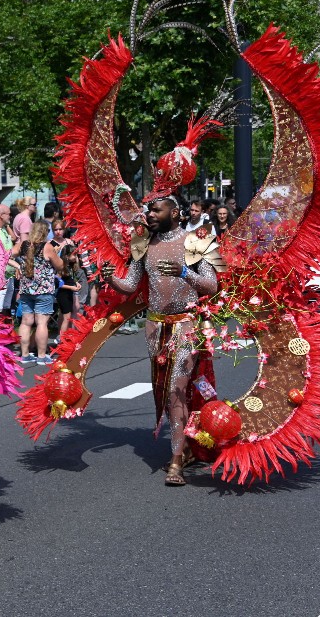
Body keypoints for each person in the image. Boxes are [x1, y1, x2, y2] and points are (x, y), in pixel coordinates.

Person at [102, 194, 221, 486]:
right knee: (164, 391)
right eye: (148, 210)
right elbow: (130, 286)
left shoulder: (196, 241)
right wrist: (111, 279)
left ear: (175, 212)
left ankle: (176, 461)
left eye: (156, 209)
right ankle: (185, 447)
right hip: (154, 327)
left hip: (185, 324)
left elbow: (211, 284)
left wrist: (184, 273)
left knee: (175, 389)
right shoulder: (143, 244)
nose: (150, 214)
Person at [12, 219, 63, 365]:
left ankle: (25, 354)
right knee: (42, 323)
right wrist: (56, 253)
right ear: (45, 232)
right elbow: (59, 266)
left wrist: (18, 266)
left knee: (26, 323)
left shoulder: (23, 244)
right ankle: (41, 356)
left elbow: (7, 255)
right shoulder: (47, 246)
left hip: (26, 289)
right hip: (43, 290)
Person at [53, 244, 82, 346]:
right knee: (66, 317)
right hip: (63, 295)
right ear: (66, 256)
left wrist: (76, 284)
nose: (75, 257)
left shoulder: (70, 267)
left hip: (69, 294)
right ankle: (60, 338)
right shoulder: (62, 267)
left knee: (68, 316)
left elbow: (70, 280)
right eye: (73, 255)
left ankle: (65, 337)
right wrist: (71, 287)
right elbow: (58, 283)